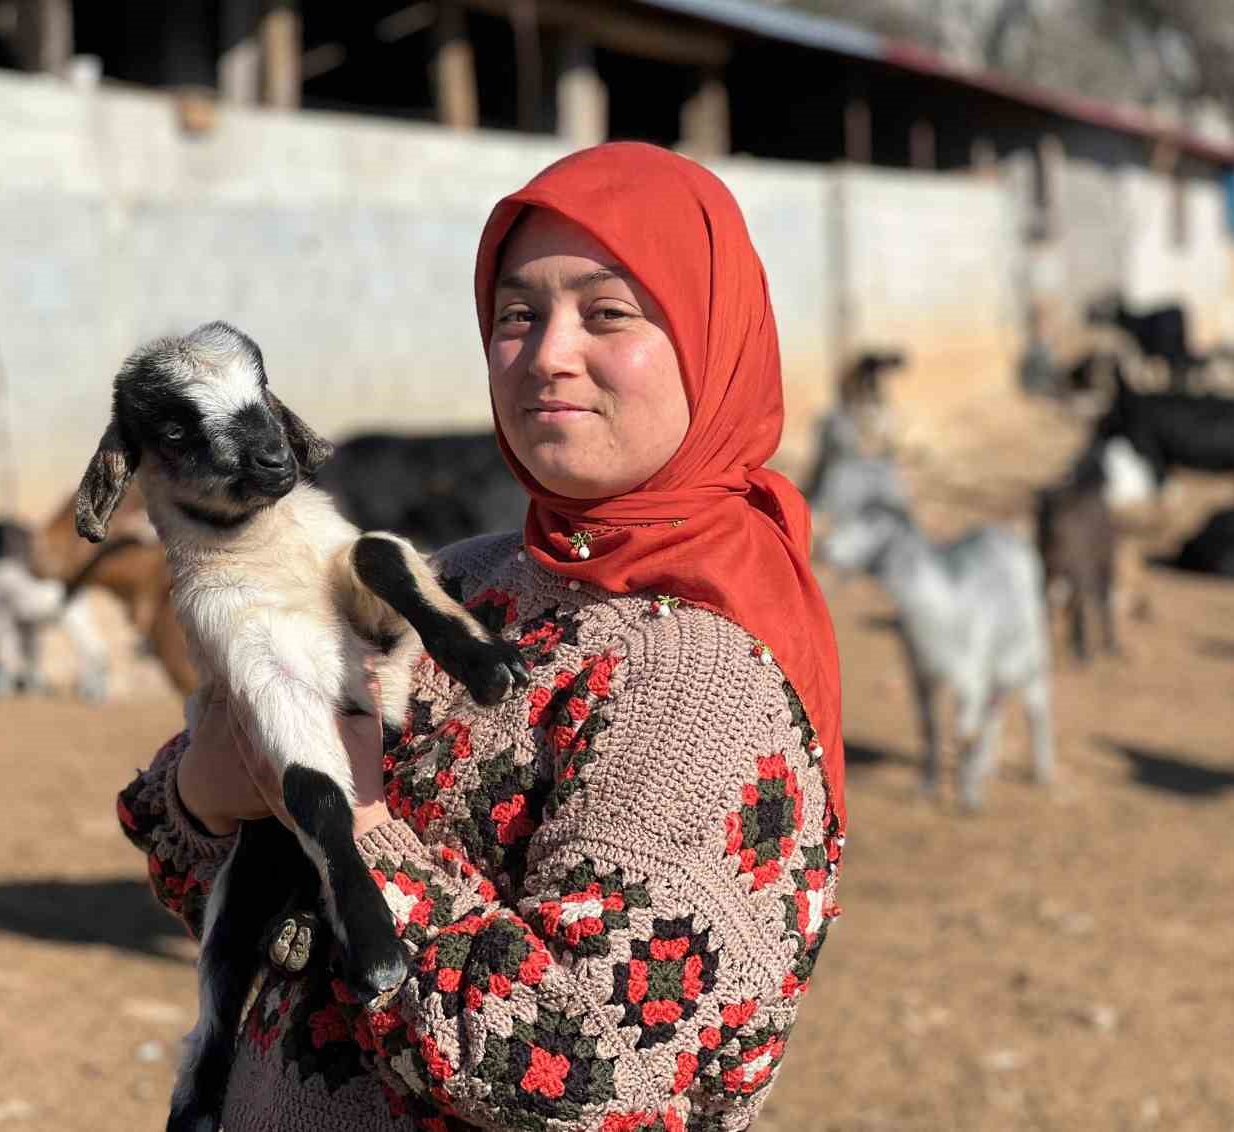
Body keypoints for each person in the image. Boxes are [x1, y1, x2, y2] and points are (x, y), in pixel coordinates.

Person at [117, 141, 846, 1130]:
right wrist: (213, 783)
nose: (546, 352)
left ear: (709, 338)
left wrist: (357, 820)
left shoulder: (707, 676)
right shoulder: (464, 579)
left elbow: (578, 1065)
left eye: (605, 312)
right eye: (516, 314)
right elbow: (204, 857)